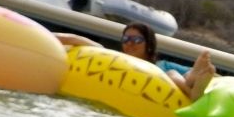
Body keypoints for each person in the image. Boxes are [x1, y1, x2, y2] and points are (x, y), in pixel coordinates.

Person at [55, 22, 215, 101]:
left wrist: (198, 76)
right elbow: (74, 39)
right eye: (126, 39)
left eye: (136, 40)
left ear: (148, 44)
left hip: (170, 82)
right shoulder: (113, 61)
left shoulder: (162, 65)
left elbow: (214, 77)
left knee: (172, 73)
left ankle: (192, 84)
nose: (130, 43)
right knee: (173, 74)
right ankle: (192, 90)